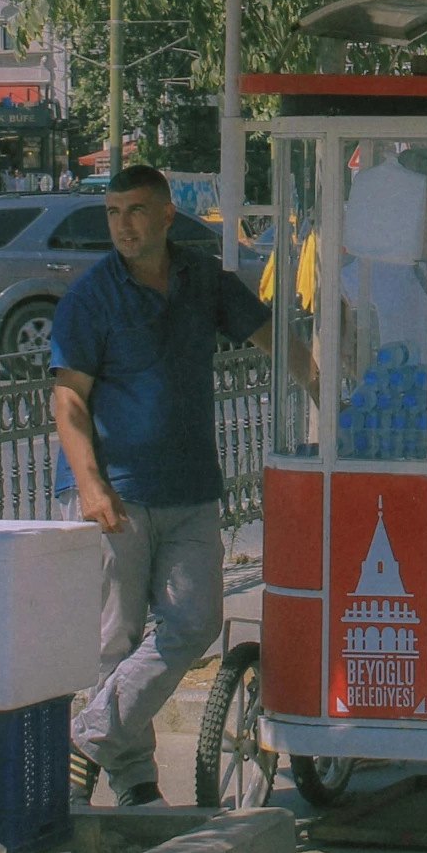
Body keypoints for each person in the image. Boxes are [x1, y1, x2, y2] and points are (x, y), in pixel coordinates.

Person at [50, 164, 301, 808]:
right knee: (118, 641)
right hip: (117, 494)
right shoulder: (90, 298)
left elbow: (275, 339)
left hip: (191, 487)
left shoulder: (201, 281)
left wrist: (335, 394)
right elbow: (68, 404)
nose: (122, 225)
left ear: (166, 214)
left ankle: (90, 737)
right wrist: (90, 486)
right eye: (112, 212)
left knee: (194, 624)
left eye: (134, 210)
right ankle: (135, 785)